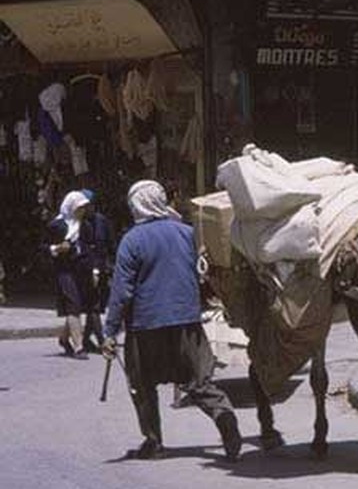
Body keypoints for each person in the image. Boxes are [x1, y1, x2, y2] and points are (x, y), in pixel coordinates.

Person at [102, 180, 242, 462]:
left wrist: (109, 330)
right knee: (199, 382)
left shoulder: (132, 240)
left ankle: (153, 441)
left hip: (146, 324)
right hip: (186, 319)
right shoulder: (187, 233)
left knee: (142, 385)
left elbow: (122, 290)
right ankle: (224, 418)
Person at [48, 190, 93, 359]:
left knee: (77, 305)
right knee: (73, 304)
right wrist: (57, 248)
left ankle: (64, 338)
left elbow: (90, 247)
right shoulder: (56, 226)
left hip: (81, 271)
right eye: (79, 208)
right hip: (64, 271)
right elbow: (43, 248)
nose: (82, 211)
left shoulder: (86, 226)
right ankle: (79, 347)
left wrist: (94, 269)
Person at [80, 189, 115, 353]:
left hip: (102, 268)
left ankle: (85, 339)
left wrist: (110, 265)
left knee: (96, 305)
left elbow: (110, 244)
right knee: (92, 306)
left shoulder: (102, 221)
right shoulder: (78, 224)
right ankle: (101, 340)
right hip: (85, 270)